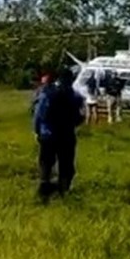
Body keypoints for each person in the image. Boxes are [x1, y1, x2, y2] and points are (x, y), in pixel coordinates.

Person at [32, 68, 86, 201]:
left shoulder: (47, 93)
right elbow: (81, 117)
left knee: (46, 162)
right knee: (66, 164)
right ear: (72, 80)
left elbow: (39, 115)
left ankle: (44, 188)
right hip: (66, 134)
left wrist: (37, 131)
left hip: (48, 134)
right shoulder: (75, 96)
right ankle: (63, 191)